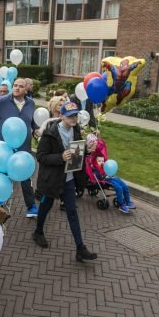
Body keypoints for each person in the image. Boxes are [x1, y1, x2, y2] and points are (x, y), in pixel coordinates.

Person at [33, 101, 98, 262]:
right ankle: (38, 232)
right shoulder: (50, 133)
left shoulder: (75, 130)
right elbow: (41, 156)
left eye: (75, 115)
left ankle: (80, 248)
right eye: (70, 116)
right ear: (61, 116)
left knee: (72, 211)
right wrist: (60, 157)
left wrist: (87, 151)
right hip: (53, 179)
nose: (74, 118)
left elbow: (76, 153)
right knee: (46, 205)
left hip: (68, 179)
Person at [0, 78, 39, 218]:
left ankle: (31, 206)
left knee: (26, 176)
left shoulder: (31, 103)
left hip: (24, 146)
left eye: (20, 86)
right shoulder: (2, 101)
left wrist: (36, 129)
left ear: (26, 89)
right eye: (15, 85)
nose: (17, 88)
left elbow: (32, 121)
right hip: (4, 148)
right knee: (3, 175)